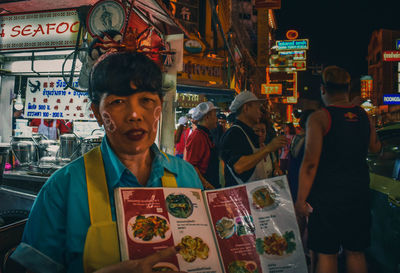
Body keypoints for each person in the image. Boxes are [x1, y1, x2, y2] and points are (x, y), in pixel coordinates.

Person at [10, 51, 203, 273]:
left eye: (146, 100)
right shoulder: (63, 188)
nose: (134, 114)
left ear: (160, 106)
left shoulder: (186, 176)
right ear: (97, 113)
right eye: (118, 101)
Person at [295, 66, 381, 273]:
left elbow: (310, 164)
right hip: (358, 194)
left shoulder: (319, 118)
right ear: (348, 88)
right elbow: (376, 148)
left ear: (323, 89)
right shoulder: (363, 116)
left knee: (326, 253)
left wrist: (300, 200)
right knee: (356, 252)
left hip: (327, 199)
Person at [220, 91, 287, 187]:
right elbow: (239, 166)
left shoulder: (248, 132)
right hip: (240, 197)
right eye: (257, 108)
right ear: (246, 108)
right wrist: (268, 148)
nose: (260, 112)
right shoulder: (234, 133)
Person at [185, 101, 220, 189]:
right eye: (215, 115)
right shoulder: (197, 136)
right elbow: (191, 166)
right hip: (202, 188)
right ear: (207, 117)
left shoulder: (206, 135)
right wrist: (206, 185)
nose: (217, 119)